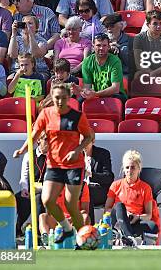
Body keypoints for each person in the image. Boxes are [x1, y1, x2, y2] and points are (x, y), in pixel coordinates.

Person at [13, 83, 95, 245]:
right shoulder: (45, 114)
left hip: (73, 165)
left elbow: (88, 137)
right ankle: (67, 228)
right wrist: (22, 150)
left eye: (63, 98)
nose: (60, 101)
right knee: (47, 200)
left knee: (70, 205)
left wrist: (77, 150)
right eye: (57, 98)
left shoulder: (78, 116)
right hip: (54, 164)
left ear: (69, 98)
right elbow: (35, 135)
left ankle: (82, 239)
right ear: (52, 96)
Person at [104, 149, 158, 247]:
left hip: (134, 221)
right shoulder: (116, 185)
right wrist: (123, 215)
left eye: (133, 167)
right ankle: (128, 238)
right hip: (116, 222)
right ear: (123, 169)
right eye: (127, 167)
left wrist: (137, 217)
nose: (129, 171)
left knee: (152, 226)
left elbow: (148, 215)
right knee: (119, 206)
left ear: (139, 169)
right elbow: (107, 210)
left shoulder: (145, 188)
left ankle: (127, 237)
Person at [81, 33, 127, 100]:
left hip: (115, 94)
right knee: (81, 100)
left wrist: (96, 94)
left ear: (108, 47)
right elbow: (87, 87)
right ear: (93, 46)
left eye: (104, 45)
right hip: (96, 94)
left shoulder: (115, 61)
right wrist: (82, 92)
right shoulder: (87, 62)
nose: (101, 48)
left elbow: (115, 89)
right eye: (98, 45)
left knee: (117, 98)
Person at [132, 9, 161, 78]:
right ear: (148, 24)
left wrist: (154, 73)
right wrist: (150, 73)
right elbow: (139, 64)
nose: (159, 26)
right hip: (146, 70)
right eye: (155, 23)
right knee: (138, 75)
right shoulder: (139, 38)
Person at [7, 16, 49, 81]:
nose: (26, 26)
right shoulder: (17, 39)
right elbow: (12, 55)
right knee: (10, 79)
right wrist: (13, 34)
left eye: (30, 23)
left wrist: (31, 35)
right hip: (18, 70)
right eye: (24, 23)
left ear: (36, 27)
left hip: (39, 70)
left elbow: (35, 54)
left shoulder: (41, 41)